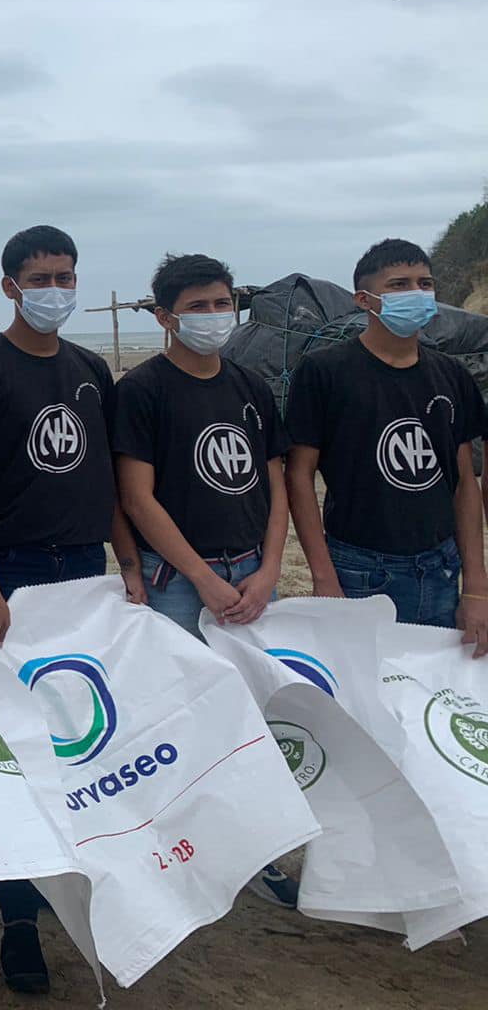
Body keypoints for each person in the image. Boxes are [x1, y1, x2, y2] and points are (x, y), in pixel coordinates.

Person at [0, 223, 144, 995]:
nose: (55, 290)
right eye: (40, 278)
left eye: (66, 277)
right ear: (10, 287)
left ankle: (71, 881)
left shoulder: (91, 370)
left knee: (83, 734)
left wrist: (129, 564)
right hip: (15, 577)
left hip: (86, 572)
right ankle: (18, 917)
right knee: (18, 750)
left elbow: (108, 480)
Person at [113, 252, 300, 908]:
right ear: (165, 317)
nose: (215, 316)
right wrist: (201, 577)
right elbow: (137, 498)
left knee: (250, 717)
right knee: (176, 718)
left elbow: (275, 485)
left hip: (251, 573)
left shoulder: (251, 387)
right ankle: (181, 851)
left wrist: (269, 569)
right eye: (198, 307)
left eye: (223, 304)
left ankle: (253, 851)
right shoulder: (142, 390)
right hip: (175, 581)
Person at [286, 238, 488, 656]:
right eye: (399, 284)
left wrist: (476, 587)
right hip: (359, 568)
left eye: (424, 283)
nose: (416, 293)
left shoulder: (451, 375)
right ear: (364, 299)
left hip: (441, 567)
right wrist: (323, 576)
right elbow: (299, 476)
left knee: (434, 685)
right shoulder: (325, 372)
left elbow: (465, 482)